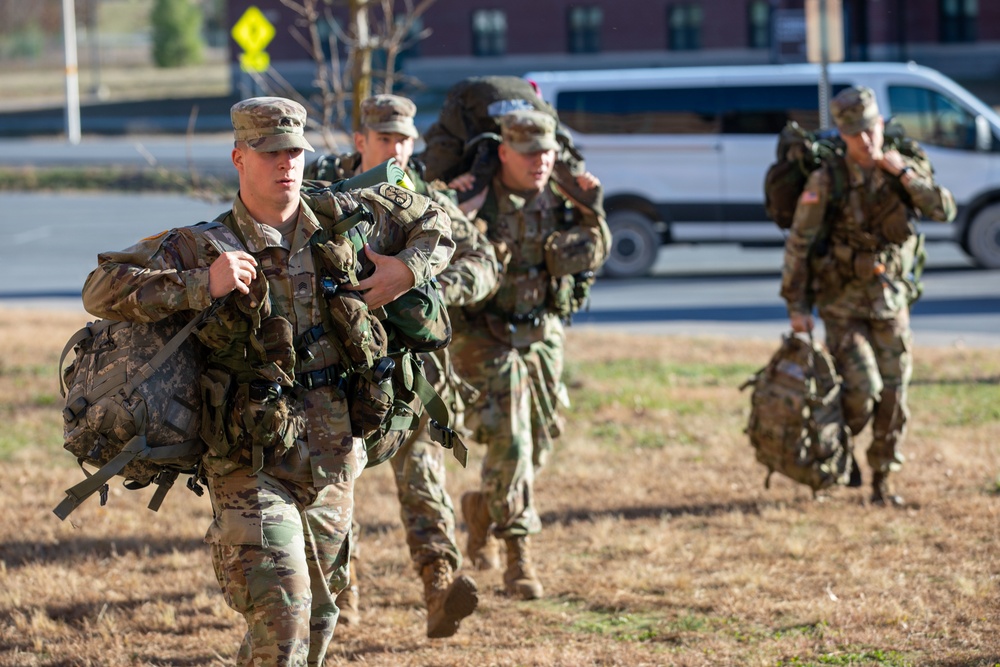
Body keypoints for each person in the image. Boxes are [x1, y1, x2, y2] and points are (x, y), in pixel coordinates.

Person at [80, 96, 455, 665]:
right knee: (285, 610)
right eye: (270, 151)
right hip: (247, 458)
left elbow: (435, 220)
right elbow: (101, 287)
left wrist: (407, 269)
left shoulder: (344, 216)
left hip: (333, 458)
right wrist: (198, 283)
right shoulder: (203, 243)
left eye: (295, 151)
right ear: (239, 156)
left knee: (319, 620)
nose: (286, 163)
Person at [306, 93, 500, 637]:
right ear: (361, 139)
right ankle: (343, 599)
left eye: (406, 139)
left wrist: (430, 284)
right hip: (336, 371)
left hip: (409, 376)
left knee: (423, 480)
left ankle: (441, 587)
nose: (397, 147)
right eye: (386, 137)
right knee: (333, 483)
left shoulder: (428, 197)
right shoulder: (321, 195)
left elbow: (483, 261)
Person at [448, 109, 611, 599]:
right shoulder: (475, 197)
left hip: (543, 331)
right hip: (484, 335)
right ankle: (518, 556)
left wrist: (591, 207)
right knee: (512, 440)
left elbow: (600, 243)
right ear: (503, 153)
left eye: (546, 152)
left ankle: (481, 509)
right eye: (527, 153)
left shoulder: (566, 192)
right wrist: (457, 207)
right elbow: (445, 245)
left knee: (539, 440)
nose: (539, 161)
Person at [780, 86, 956, 507]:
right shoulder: (828, 180)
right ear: (843, 135)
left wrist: (903, 174)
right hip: (842, 302)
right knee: (862, 390)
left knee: (895, 395)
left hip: (891, 301)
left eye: (870, 130)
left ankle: (881, 483)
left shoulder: (902, 168)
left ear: (880, 125)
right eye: (856, 134)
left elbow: (944, 210)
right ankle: (836, 453)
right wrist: (796, 307)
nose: (866, 141)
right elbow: (799, 245)